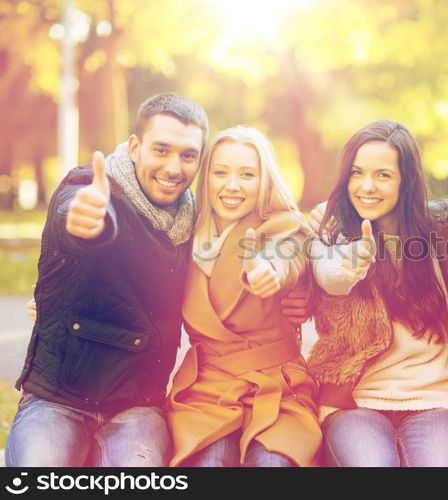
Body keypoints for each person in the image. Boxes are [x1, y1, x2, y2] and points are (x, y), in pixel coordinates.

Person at [6, 93, 209, 467]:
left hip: (137, 407)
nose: (174, 167)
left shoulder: (196, 221)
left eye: (188, 155)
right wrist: (90, 222)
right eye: (161, 150)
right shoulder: (89, 188)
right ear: (135, 147)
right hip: (58, 399)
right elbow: (85, 218)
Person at [306, 119, 448, 467]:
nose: (366, 186)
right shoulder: (331, 233)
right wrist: (349, 266)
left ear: (405, 181)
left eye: (383, 175)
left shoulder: (443, 233)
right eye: (357, 172)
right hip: (355, 404)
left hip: (436, 400)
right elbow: (329, 276)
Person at [167, 126, 321, 467]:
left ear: (264, 180)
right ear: (205, 178)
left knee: (272, 464)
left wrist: (271, 271)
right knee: (208, 462)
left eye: (247, 174)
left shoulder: (282, 227)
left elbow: (290, 256)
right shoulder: (182, 235)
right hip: (207, 390)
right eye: (220, 172)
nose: (232, 186)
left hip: (278, 387)